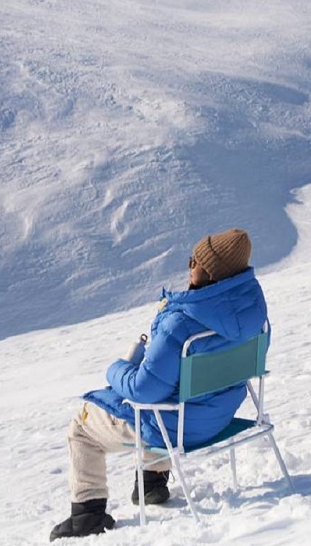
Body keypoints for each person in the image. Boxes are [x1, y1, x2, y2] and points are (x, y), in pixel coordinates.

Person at [50, 228, 268, 541]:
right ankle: (151, 482)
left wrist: (117, 368)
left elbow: (142, 390)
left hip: (180, 428)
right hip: (220, 416)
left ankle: (87, 515)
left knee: (83, 426)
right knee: (170, 398)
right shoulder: (254, 313)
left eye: (192, 260)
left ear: (207, 270)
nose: (189, 265)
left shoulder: (181, 323)